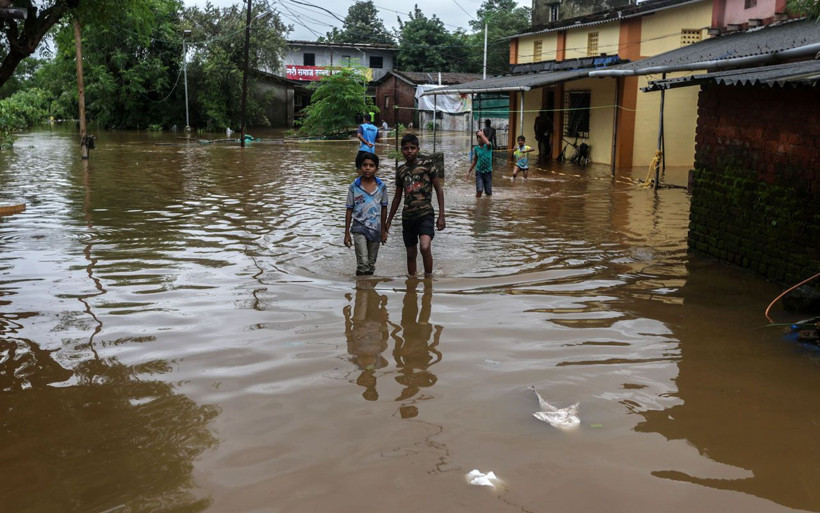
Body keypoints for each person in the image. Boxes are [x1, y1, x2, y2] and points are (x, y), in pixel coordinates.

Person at [385, 134, 446, 278]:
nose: (409, 151)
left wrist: (441, 215)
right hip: (408, 216)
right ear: (402, 151)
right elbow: (398, 197)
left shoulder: (427, 165)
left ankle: (428, 279)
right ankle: (411, 282)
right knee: (411, 253)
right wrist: (389, 220)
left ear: (418, 149)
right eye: (406, 148)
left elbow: (439, 189)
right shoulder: (401, 171)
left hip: (425, 214)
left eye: (412, 148)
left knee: (425, 247)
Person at [344, 152, 388, 276]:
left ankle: (367, 291)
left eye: (371, 165)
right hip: (359, 227)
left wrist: (383, 230)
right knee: (363, 262)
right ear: (360, 167)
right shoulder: (354, 186)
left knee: (370, 264)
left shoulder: (381, 187)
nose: (368, 168)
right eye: (364, 165)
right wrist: (347, 233)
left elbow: (384, 208)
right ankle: (361, 291)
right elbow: (349, 209)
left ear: (376, 168)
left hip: (375, 229)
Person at [465, 130, 493, 198]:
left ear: (485, 137)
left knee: (488, 193)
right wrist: (468, 171)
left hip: (488, 172)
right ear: (477, 139)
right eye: (479, 137)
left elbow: (488, 142)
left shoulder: (488, 146)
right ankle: (477, 203)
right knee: (479, 190)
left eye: (482, 137)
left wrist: (482, 135)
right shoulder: (476, 148)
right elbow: (475, 160)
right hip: (479, 172)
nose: (480, 138)